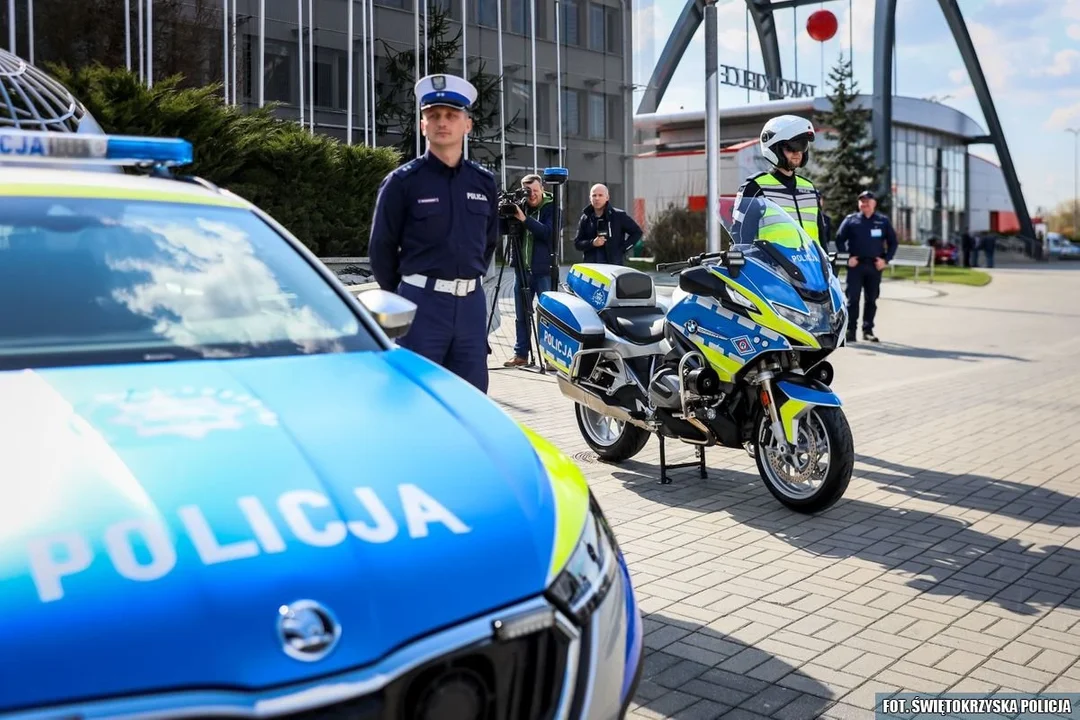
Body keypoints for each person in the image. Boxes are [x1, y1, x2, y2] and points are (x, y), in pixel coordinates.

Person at [368, 73, 499, 394]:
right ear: (422, 124)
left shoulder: (483, 182)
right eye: (434, 115)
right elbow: (381, 248)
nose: (443, 122)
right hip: (421, 305)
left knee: (472, 398)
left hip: (470, 307)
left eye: (452, 115)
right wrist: (403, 293)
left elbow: (488, 241)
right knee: (415, 397)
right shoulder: (402, 182)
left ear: (467, 125)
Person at [730, 115, 826, 247]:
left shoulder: (809, 188)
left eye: (802, 146)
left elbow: (821, 236)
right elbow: (740, 239)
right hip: (772, 266)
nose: (798, 152)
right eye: (792, 147)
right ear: (774, 148)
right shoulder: (756, 187)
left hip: (810, 267)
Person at [501, 173, 555, 367]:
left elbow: (547, 233)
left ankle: (549, 357)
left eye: (535, 190)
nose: (531, 194)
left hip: (542, 270)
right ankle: (521, 355)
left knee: (547, 316)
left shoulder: (552, 207)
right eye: (527, 190)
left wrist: (523, 218)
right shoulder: (520, 205)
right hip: (521, 270)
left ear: (542, 189)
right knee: (521, 315)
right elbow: (503, 230)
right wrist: (502, 211)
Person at [834, 190, 898, 343]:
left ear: (874, 203)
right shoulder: (851, 220)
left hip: (874, 267)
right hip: (856, 267)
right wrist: (847, 258)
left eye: (867, 201)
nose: (864, 204)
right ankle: (850, 331)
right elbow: (839, 239)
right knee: (852, 299)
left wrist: (886, 260)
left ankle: (867, 330)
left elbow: (893, 242)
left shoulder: (882, 221)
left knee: (871, 300)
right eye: (862, 201)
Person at [573, 183, 642, 264]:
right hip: (591, 266)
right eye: (594, 195)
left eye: (600, 195)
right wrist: (593, 243)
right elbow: (577, 243)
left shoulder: (618, 215)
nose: (597, 198)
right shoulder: (585, 218)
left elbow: (637, 232)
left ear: (607, 197)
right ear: (590, 198)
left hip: (613, 265)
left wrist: (623, 249)